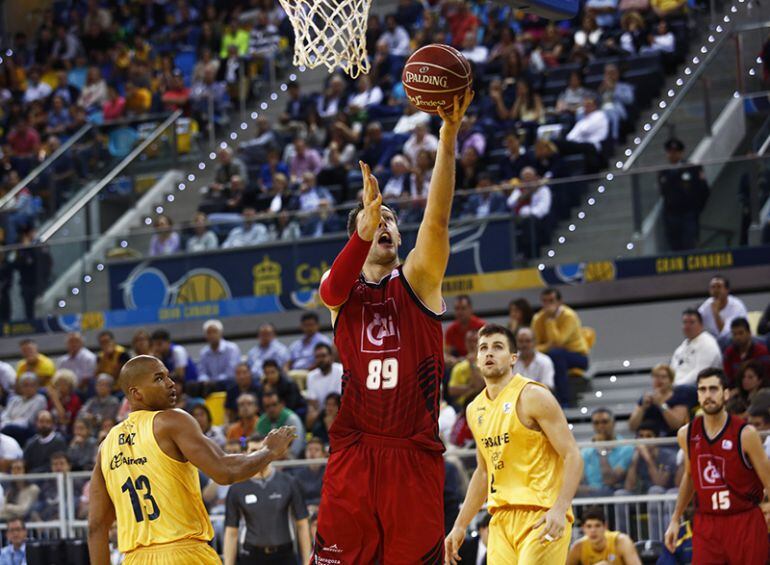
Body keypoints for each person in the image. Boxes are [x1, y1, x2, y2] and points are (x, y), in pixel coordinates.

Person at [313, 89, 474, 563]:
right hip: (355, 453)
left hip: (412, 455)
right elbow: (331, 289)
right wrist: (363, 228)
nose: (383, 223)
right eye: (373, 219)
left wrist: (448, 137)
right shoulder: (338, 289)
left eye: (389, 220)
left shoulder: (419, 282)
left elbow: (438, 222)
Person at [87, 355, 296, 565]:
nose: (170, 383)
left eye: (169, 376)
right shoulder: (171, 420)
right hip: (183, 553)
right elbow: (225, 470)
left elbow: (96, 526)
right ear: (136, 393)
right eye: (159, 379)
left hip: (134, 559)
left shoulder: (106, 447)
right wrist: (268, 451)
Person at [445, 324, 582, 564]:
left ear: (512, 358)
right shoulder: (474, 409)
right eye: (483, 348)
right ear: (476, 359)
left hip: (541, 514)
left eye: (498, 347)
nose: (489, 353)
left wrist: (560, 509)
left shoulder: (533, 395)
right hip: (500, 519)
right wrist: (460, 525)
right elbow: (483, 471)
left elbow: (573, 455)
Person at [664, 368, 770, 563]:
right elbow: (690, 476)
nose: (708, 395)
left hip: (744, 520)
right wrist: (675, 519)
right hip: (707, 522)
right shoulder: (686, 434)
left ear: (726, 393)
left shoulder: (746, 434)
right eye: (702, 390)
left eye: (713, 389)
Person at [223, 437, 312, 565]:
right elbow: (231, 532)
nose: (259, 455)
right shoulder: (237, 488)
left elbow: (302, 524)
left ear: (270, 453)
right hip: (251, 556)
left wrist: (306, 562)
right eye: (253, 450)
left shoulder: (288, 482)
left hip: (284, 556)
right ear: (245, 454)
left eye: (262, 450)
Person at [614, 421, 678, 538]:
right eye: (641, 436)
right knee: (620, 494)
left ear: (657, 439)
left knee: (655, 491)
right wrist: (634, 461)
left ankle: (656, 542)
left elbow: (660, 483)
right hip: (641, 497)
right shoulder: (635, 454)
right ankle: (622, 541)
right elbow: (629, 486)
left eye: (648, 436)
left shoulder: (668, 456)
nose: (644, 440)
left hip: (663, 498)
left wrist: (648, 459)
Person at [532, 288, 590, 406]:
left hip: (577, 356)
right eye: (545, 301)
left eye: (551, 301)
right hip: (552, 354)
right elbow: (533, 346)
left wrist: (550, 321)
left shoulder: (569, 316)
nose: (548, 304)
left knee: (556, 355)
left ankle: (563, 401)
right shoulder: (537, 319)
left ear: (560, 302)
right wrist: (547, 346)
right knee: (545, 357)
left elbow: (558, 342)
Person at [658, 138, 710, 251]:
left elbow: (704, 190)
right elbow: (664, 193)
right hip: (671, 216)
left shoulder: (692, 169)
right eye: (670, 152)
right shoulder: (664, 173)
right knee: (675, 247)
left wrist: (696, 209)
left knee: (690, 245)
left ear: (681, 153)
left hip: (688, 214)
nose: (672, 155)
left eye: (675, 152)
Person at [578, 408, 635, 497]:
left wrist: (602, 450)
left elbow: (610, 480)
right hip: (591, 495)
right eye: (596, 423)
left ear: (614, 423)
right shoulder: (586, 451)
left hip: (614, 494)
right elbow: (578, 481)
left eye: (605, 422)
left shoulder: (627, 448)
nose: (601, 426)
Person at [628, 364, 693, 437]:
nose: (659, 380)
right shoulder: (646, 399)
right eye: (656, 376)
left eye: (663, 377)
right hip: (649, 441)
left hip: (671, 441)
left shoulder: (678, 397)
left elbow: (676, 425)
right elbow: (632, 426)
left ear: (671, 380)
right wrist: (642, 408)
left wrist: (661, 405)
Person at [566, 507, 641, 565]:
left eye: (597, 526)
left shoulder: (621, 541)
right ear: (583, 528)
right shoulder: (579, 547)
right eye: (589, 526)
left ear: (605, 526)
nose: (593, 530)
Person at [670, 309, 722, 386]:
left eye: (691, 322)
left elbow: (700, 373)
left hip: (698, 387)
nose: (687, 326)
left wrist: (676, 386)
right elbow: (671, 371)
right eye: (685, 322)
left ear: (701, 325)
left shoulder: (708, 343)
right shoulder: (681, 348)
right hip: (677, 387)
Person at [698, 276, 748, 343]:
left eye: (719, 287)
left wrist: (716, 313)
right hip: (714, 341)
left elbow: (724, 333)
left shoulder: (737, 306)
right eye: (713, 287)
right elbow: (696, 323)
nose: (715, 290)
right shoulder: (707, 305)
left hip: (734, 340)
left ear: (727, 290)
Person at [257, 391, 305, 459]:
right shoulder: (261, 423)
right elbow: (259, 446)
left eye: (274, 404)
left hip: (292, 462)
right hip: (269, 462)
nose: (271, 409)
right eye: (267, 406)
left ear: (282, 404)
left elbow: (297, 446)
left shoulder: (292, 419)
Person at [723, 318, 770, 386]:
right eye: (734, 334)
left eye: (741, 333)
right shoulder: (729, 353)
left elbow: (765, 378)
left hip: (759, 390)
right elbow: (727, 379)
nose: (738, 337)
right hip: (735, 392)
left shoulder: (761, 352)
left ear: (749, 333)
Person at [304, 343, 343, 427]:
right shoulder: (311, 376)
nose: (320, 359)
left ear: (331, 357)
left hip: (340, 411)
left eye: (323, 356)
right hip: (322, 412)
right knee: (310, 418)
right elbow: (313, 403)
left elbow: (341, 399)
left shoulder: (341, 370)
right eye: (317, 357)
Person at [197, 319, 241, 387]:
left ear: (221, 333)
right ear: (205, 336)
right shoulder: (204, 352)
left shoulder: (232, 349)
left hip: (228, 384)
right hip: (209, 386)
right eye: (209, 333)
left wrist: (214, 381)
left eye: (214, 332)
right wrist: (205, 380)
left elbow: (231, 373)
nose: (212, 335)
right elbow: (202, 373)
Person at [444, 295, 486, 366]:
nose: (460, 312)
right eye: (457, 309)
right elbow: (446, 354)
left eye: (463, 308)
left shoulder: (481, 326)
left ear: (470, 309)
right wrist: (451, 360)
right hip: (459, 364)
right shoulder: (450, 330)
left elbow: (487, 349)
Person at [447, 330, 485, 407]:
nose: (472, 344)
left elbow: (480, 386)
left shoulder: (487, 363)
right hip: (462, 406)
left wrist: (472, 365)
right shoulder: (459, 366)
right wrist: (470, 387)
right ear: (465, 343)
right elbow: (452, 390)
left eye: (475, 341)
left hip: (483, 404)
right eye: (469, 341)